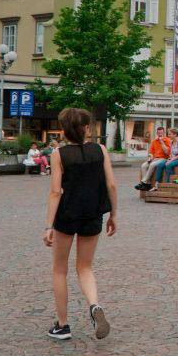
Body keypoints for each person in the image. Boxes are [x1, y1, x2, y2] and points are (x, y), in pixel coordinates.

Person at [42, 107, 117, 341]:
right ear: (86, 128)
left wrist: (48, 225)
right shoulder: (100, 150)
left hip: (67, 214)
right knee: (85, 267)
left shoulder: (59, 154)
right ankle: (94, 306)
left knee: (59, 270)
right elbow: (111, 185)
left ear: (64, 130)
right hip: (93, 214)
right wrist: (113, 214)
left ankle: (62, 326)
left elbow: (55, 191)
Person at [135, 127, 170, 192]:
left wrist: (162, 142)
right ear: (157, 133)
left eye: (161, 133)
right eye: (158, 133)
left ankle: (143, 182)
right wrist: (150, 157)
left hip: (163, 158)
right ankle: (147, 184)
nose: (160, 134)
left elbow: (167, 152)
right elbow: (151, 152)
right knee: (143, 165)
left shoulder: (167, 140)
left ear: (164, 133)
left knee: (152, 165)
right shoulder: (154, 141)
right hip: (155, 158)